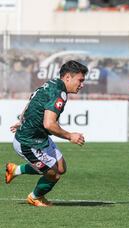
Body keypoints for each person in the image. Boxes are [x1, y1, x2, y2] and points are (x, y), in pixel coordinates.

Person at [5, 60, 88, 207]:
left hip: (40, 138)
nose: (82, 85)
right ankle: (35, 197)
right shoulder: (59, 93)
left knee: (61, 168)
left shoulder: (52, 83)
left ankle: (15, 170)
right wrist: (70, 136)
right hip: (28, 143)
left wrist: (22, 120)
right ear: (68, 77)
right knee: (53, 175)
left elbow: (33, 100)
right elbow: (49, 124)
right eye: (80, 80)